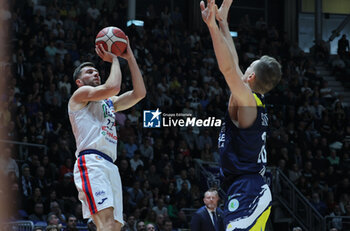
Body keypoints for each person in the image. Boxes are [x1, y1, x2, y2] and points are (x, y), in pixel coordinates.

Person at [200, 0, 282, 230]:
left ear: (251, 78)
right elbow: (233, 65)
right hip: (247, 186)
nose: (243, 69)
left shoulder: (247, 101)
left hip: (249, 189)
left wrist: (212, 27)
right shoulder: (253, 99)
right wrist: (224, 23)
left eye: (249, 67)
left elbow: (227, 68)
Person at [68, 36, 146, 231]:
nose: (95, 73)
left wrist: (130, 58)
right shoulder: (79, 96)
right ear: (79, 81)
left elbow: (139, 93)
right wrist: (114, 60)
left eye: (96, 70)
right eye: (89, 72)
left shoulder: (109, 102)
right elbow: (113, 87)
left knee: (115, 227)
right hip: (91, 161)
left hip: (110, 165)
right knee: (107, 224)